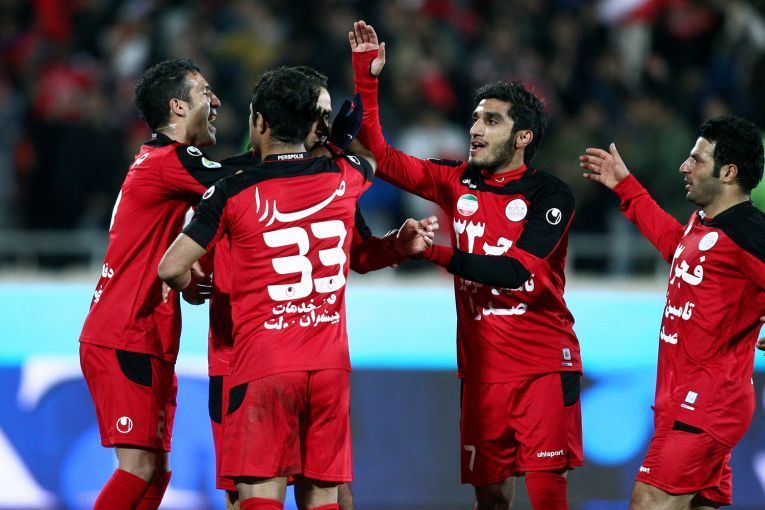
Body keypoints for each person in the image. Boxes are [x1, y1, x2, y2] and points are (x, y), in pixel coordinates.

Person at [159, 66, 432, 510]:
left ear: (261, 120)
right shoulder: (339, 178)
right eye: (321, 114)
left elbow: (361, 255)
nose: (326, 125)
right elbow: (370, 158)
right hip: (253, 360)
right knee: (285, 493)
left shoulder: (230, 188)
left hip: (262, 359)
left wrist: (395, 247)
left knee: (294, 491)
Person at [349, 20, 583, 510]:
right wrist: (367, 80)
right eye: (475, 119)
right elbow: (381, 156)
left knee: (547, 492)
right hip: (480, 370)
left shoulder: (550, 194)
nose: (475, 129)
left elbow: (515, 271)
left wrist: (431, 253)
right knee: (490, 497)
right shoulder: (455, 181)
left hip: (542, 362)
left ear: (522, 137)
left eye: (491, 121)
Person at [78, 58, 242, 509]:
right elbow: (241, 184)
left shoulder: (157, 161)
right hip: (126, 331)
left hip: (142, 331)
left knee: (155, 469)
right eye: (204, 92)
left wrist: (186, 274)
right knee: (138, 467)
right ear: (177, 106)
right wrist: (300, 155)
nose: (215, 101)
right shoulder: (172, 160)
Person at [580, 115, 765, 509]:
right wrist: (626, 187)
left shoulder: (751, 234)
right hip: (685, 396)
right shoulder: (705, 223)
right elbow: (674, 244)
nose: (684, 166)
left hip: (707, 402)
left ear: (728, 172)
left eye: (696, 159)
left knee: (648, 500)